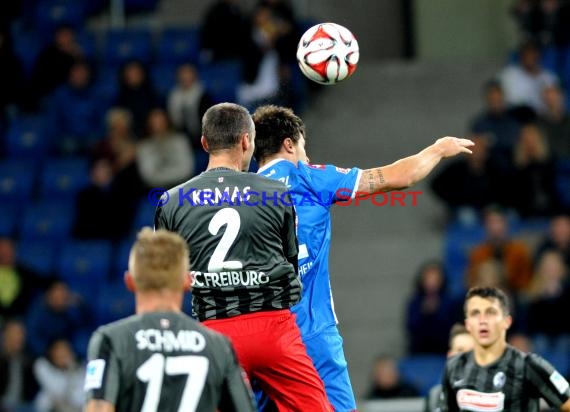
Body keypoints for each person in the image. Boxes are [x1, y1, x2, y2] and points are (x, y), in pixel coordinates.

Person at [251, 104, 474, 411]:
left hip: (257, 335)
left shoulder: (239, 193)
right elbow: (397, 177)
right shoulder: (309, 178)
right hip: (310, 331)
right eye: (304, 147)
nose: (307, 156)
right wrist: (437, 150)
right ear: (289, 144)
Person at [154, 102, 332, 411]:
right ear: (246, 141)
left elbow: (163, 281)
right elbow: (290, 265)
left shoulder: (171, 201)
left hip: (213, 333)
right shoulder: (275, 192)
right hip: (274, 330)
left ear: (205, 143)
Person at [84, 227, 256, 412]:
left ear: (130, 281)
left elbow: (99, 408)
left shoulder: (110, 341)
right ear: (188, 282)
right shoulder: (219, 346)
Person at [438, 286, 570, 411]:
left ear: (507, 322)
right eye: (475, 313)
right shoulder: (454, 366)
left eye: (491, 312)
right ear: (467, 324)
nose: (482, 320)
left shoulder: (529, 366)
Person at [424, 323, 475, 412]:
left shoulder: (491, 394)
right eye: (460, 350)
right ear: (450, 355)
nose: (465, 356)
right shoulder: (435, 396)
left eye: (471, 351)